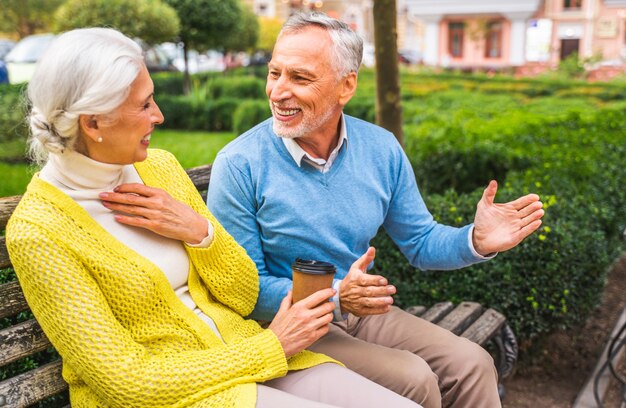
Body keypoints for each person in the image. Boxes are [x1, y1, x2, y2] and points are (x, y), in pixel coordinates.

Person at [6, 27, 422, 408]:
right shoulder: (39, 231)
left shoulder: (160, 168)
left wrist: (199, 231)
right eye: (145, 104)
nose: (159, 116)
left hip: (245, 358)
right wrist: (271, 346)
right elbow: (128, 382)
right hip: (178, 396)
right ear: (94, 123)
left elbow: (241, 293)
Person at [207, 11, 545, 408]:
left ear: (345, 85)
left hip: (360, 312)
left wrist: (475, 239)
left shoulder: (380, 149)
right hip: (287, 325)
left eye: (299, 78)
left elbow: (420, 241)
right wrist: (337, 296)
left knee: (473, 363)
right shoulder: (240, 164)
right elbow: (243, 291)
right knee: (414, 380)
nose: (278, 91)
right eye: (274, 73)